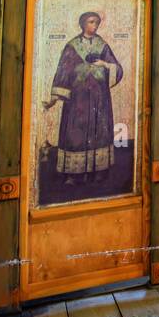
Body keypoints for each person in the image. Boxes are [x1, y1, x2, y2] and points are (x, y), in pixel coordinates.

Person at [43, 12, 122, 187]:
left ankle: (98, 171)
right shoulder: (72, 46)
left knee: (99, 131)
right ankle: (74, 174)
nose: (95, 26)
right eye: (91, 22)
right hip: (78, 99)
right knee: (75, 132)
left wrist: (105, 65)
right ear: (83, 24)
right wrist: (55, 97)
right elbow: (63, 71)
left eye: (97, 23)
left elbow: (117, 67)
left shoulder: (103, 45)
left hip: (99, 97)